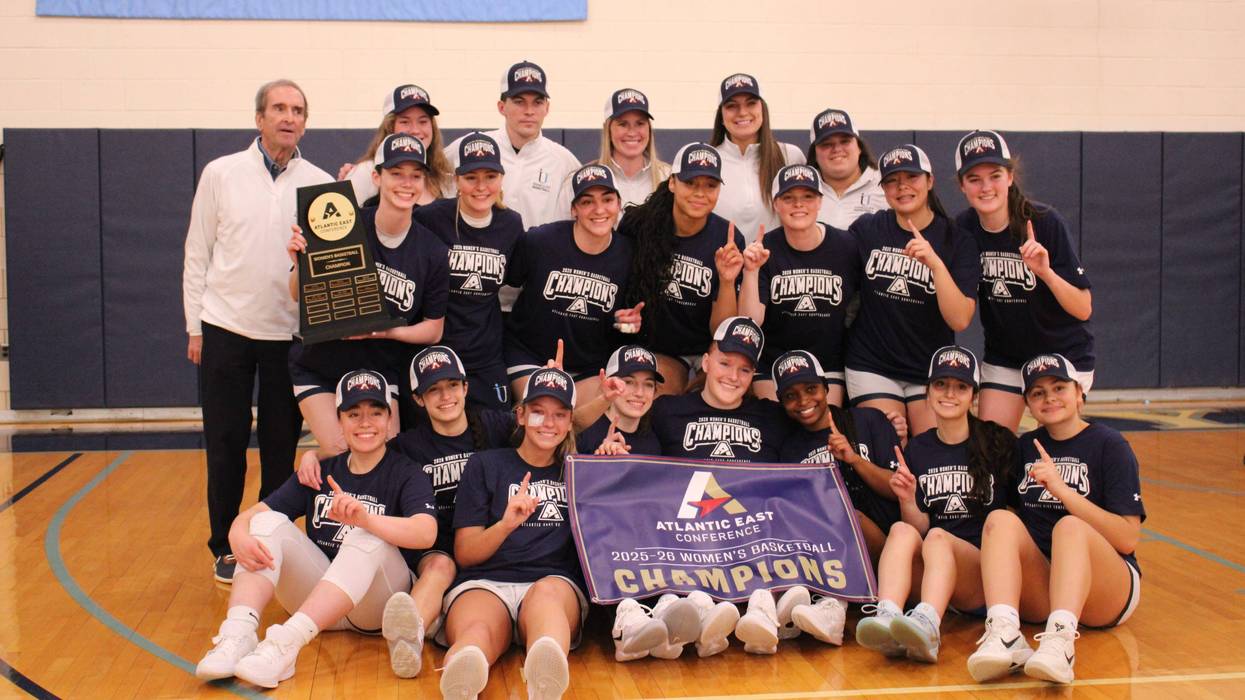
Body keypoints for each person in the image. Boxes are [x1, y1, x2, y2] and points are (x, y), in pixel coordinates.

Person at [194, 370, 437, 688]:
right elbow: (256, 516)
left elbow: (425, 532)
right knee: (267, 523)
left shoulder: (405, 472)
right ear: (339, 422)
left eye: (375, 413)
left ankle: (286, 646)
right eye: (354, 414)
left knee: (365, 536)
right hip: (319, 603)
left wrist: (367, 520)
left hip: (374, 607)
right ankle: (237, 634)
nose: (365, 423)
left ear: (390, 420)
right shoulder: (319, 471)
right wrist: (237, 532)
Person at [183, 78, 332, 583]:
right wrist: (194, 325)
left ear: (305, 121)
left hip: (287, 335)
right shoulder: (221, 173)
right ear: (259, 118)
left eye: (297, 110)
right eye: (279, 109)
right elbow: (197, 253)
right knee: (224, 442)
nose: (288, 118)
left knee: (279, 446)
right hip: (225, 326)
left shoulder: (319, 182)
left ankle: (269, 539)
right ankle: (224, 543)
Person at [293, 346, 515, 678]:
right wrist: (313, 457)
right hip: (430, 545)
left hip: (481, 540)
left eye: (452, 386)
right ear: (418, 399)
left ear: (466, 388)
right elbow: (361, 454)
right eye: (433, 390)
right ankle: (409, 637)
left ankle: (419, 624)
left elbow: (554, 428)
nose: (445, 396)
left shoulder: (494, 425)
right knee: (439, 565)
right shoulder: (408, 445)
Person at [968, 354, 1144, 685]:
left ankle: (1061, 642)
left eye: (1059, 387)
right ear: (1028, 405)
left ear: (1080, 392)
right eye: (1037, 393)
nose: (1049, 398)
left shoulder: (1110, 444)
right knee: (1000, 521)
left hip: (1108, 587)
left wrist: (1064, 492)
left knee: (1070, 526)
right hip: (1047, 582)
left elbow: (1127, 539)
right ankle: (1006, 634)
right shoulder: (1024, 448)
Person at [287, 133, 449, 453]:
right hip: (320, 362)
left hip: (378, 368)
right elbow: (296, 295)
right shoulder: (346, 224)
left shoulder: (432, 250)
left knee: (380, 456)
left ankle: (312, 463)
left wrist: (385, 330)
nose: (406, 183)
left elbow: (433, 329)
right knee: (338, 450)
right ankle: (314, 472)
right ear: (376, 177)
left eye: (415, 175)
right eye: (396, 173)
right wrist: (299, 264)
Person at [854, 346, 1015, 664]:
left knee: (939, 538)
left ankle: (928, 626)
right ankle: (888, 615)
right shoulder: (919, 449)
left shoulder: (997, 442)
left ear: (974, 396)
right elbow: (919, 528)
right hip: (934, 572)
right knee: (901, 529)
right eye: (941, 385)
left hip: (980, 574)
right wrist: (908, 499)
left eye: (960, 386)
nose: (949, 394)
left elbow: (1012, 519)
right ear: (928, 393)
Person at [644, 317, 792, 657]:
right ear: (706, 363)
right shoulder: (668, 410)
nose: (732, 376)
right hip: (687, 536)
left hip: (750, 539)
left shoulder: (772, 417)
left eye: (744, 370)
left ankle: (757, 611)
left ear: (753, 376)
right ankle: (701, 612)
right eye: (725, 363)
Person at [437, 367, 585, 700]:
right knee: (476, 633)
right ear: (519, 415)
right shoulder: (486, 465)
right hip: (487, 581)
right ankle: (464, 675)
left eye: (559, 415)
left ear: (570, 421)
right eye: (538, 412)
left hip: (552, 580)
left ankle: (544, 676)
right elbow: (466, 553)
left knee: (546, 603)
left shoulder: (579, 469)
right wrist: (505, 525)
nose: (549, 423)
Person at [954, 130, 1095, 432]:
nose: (986, 187)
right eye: (975, 179)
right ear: (962, 185)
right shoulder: (963, 229)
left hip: (1061, 355)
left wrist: (1046, 273)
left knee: (1061, 448)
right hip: (1006, 357)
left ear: (1010, 177)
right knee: (992, 450)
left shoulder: (1044, 222)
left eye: (994, 175)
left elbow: (1083, 309)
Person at [845, 144, 979, 438]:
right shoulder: (868, 229)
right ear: (883, 189)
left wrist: (936, 265)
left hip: (929, 370)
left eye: (912, 177)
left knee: (930, 453)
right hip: (872, 365)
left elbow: (959, 320)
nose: (902, 186)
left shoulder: (957, 239)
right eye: (892, 180)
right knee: (889, 444)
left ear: (930, 181)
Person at [504, 164, 644, 400]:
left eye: (607, 199)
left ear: (619, 205)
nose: (599, 209)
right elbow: (509, 284)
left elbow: (622, 329)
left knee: (577, 420)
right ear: (574, 210)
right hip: (530, 357)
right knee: (546, 404)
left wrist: (629, 325)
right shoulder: (540, 241)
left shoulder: (629, 254)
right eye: (587, 201)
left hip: (589, 368)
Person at [620, 143, 746, 395]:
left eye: (710, 186)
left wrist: (727, 280)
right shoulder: (639, 226)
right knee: (653, 400)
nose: (700, 193)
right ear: (673, 183)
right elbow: (619, 304)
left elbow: (721, 329)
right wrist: (623, 326)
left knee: (726, 398)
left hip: (710, 347)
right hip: (660, 348)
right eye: (691, 183)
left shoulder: (729, 238)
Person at [414, 132, 525, 409]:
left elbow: (518, 275)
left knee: (496, 435)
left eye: (490, 176)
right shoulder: (431, 218)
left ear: (501, 179)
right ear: (457, 181)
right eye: (471, 177)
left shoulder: (510, 224)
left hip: (486, 355)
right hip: (438, 353)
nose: (481, 186)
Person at [739, 164, 859, 403]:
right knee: (774, 426)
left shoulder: (846, 245)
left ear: (820, 201)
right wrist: (751, 272)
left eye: (807, 196)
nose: (798, 204)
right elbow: (750, 321)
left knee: (822, 429)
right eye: (789, 197)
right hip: (772, 361)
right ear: (776, 204)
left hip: (827, 363)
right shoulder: (764, 249)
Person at [774, 350, 905, 564]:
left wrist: (854, 459)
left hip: (890, 545)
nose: (803, 400)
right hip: (825, 553)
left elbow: (898, 491)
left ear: (826, 388)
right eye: (790, 396)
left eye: (811, 389)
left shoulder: (867, 420)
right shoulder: (790, 450)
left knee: (847, 513)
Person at [443, 60, 581, 230]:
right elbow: (431, 178)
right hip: (484, 254)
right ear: (501, 107)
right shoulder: (468, 147)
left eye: (537, 102)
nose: (529, 111)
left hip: (537, 255)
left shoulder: (564, 161)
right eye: (519, 101)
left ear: (547, 108)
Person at [709, 73, 805, 244]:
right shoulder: (708, 160)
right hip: (721, 266)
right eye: (732, 106)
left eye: (751, 103)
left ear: (763, 109)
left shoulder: (790, 155)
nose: (742, 112)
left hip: (774, 267)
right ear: (721, 116)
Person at [557, 88, 670, 212]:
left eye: (640, 123)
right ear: (608, 129)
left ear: (649, 128)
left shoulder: (669, 178)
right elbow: (560, 229)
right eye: (623, 124)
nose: (632, 132)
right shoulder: (579, 181)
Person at [339, 84, 452, 206]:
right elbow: (344, 217)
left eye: (423, 121)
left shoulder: (443, 175)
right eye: (405, 122)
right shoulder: (366, 171)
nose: (415, 130)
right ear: (389, 127)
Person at [574, 344, 663, 455]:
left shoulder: (652, 443)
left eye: (648, 384)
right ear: (610, 384)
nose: (639, 393)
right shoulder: (584, 431)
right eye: (628, 382)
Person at [806, 108, 887, 229]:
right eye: (827, 144)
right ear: (815, 154)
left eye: (845, 141)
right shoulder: (803, 190)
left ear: (859, 147)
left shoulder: (885, 185)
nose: (837, 149)